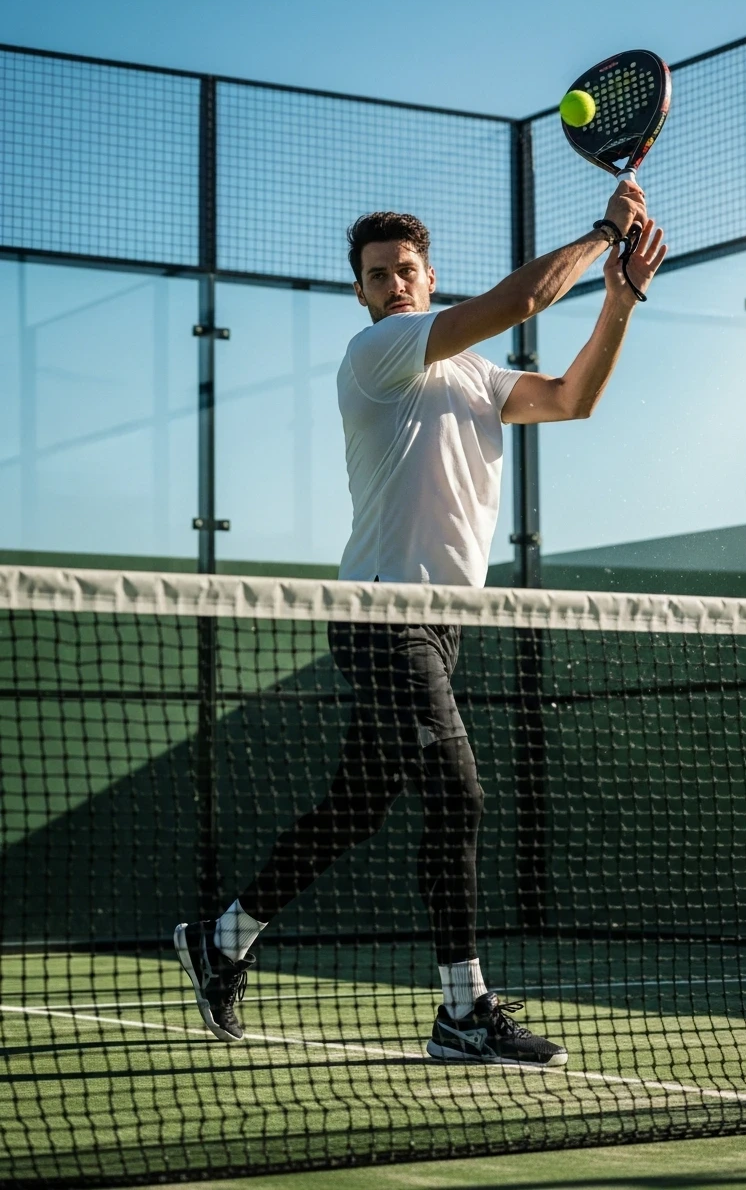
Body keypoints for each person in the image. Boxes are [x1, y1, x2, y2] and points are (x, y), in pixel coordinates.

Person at [176, 187, 666, 1066]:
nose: (395, 283)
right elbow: (520, 301)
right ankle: (462, 1010)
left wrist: (620, 298)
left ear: (429, 275)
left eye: (407, 270)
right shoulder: (377, 353)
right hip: (382, 614)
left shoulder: (478, 376)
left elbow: (572, 397)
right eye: (378, 276)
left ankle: (224, 935)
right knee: (459, 794)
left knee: (356, 807)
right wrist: (604, 234)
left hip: (441, 625)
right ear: (363, 296)